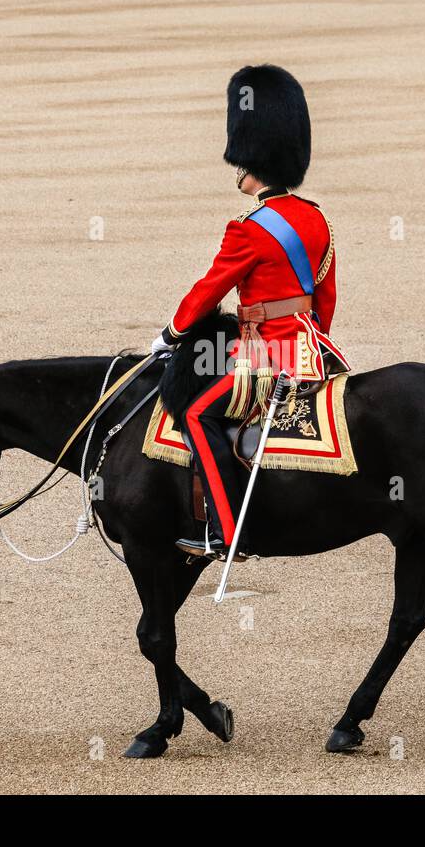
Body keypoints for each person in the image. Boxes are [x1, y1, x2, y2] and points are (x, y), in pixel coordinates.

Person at [152, 65, 349, 560]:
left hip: (267, 352)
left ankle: (224, 528)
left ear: (251, 160)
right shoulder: (316, 216)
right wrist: (310, 343)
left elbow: (208, 290)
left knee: (197, 414)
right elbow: (324, 297)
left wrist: (172, 334)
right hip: (312, 347)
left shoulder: (249, 227)